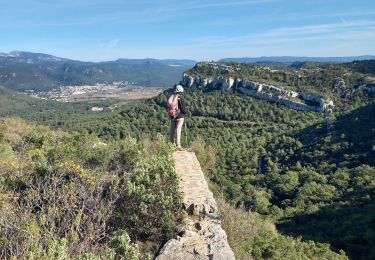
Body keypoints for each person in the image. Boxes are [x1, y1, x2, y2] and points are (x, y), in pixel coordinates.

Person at [168, 85, 187, 151]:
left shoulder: (172, 97)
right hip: (180, 117)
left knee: (172, 130)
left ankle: (170, 144)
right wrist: (185, 113)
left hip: (172, 116)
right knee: (178, 130)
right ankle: (178, 145)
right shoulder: (181, 97)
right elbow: (183, 108)